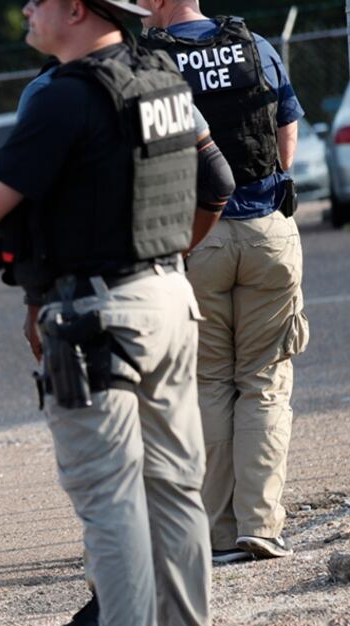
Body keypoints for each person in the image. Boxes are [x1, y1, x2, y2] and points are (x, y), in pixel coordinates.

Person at [0, 0, 227, 626]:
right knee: (173, 493)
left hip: (100, 316)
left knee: (108, 499)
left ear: (74, 9)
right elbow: (216, 181)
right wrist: (162, 260)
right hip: (168, 299)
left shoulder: (64, 97)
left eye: (35, 1)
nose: (23, 9)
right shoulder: (162, 78)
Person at [138, 0, 309, 565]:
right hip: (268, 230)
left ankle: (216, 530)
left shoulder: (151, 63)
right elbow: (287, 133)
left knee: (208, 381)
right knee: (264, 380)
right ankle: (261, 525)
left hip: (196, 235)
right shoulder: (255, 46)